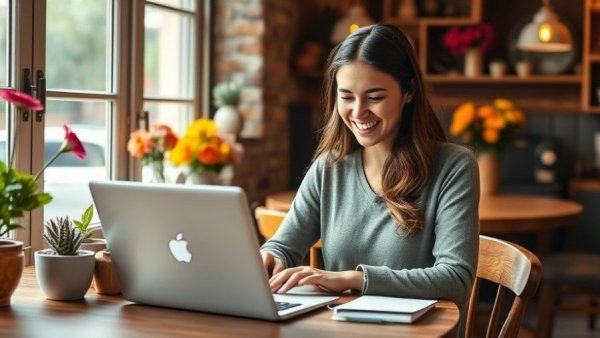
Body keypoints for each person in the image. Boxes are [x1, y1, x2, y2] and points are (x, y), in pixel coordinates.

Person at [260, 23, 479, 336]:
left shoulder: (454, 167)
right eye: (346, 97)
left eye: (374, 97)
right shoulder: (329, 167)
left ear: (409, 92)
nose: (359, 112)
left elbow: (455, 279)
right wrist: (271, 256)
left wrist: (353, 278)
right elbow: (284, 245)